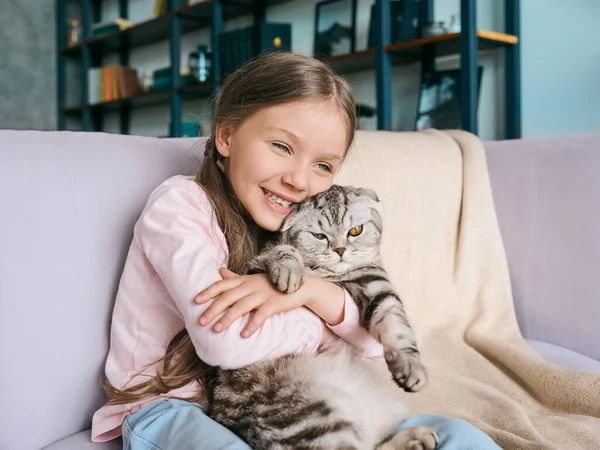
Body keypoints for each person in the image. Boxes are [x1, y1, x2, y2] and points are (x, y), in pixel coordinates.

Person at [91, 51, 500, 450]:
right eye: (282, 147)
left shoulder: (301, 224)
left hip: (285, 397)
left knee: (461, 438)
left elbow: (376, 346)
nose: (299, 181)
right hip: (169, 410)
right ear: (226, 135)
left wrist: (311, 292)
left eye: (323, 166)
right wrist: (321, 321)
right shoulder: (179, 207)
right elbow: (225, 342)